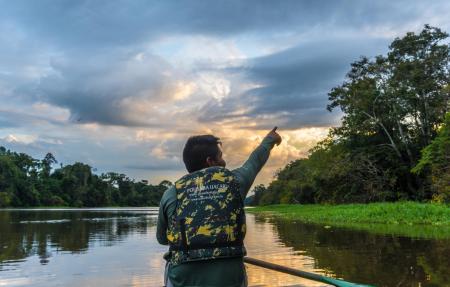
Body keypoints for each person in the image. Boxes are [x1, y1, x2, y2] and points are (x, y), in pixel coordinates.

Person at [156, 127, 282, 287]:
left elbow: (161, 239)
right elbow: (255, 162)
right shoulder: (235, 181)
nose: (224, 162)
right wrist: (270, 139)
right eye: (220, 157)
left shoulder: (171, 192)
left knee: (170, 264)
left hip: (184, 276)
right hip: (229, 275)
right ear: (210, 161)